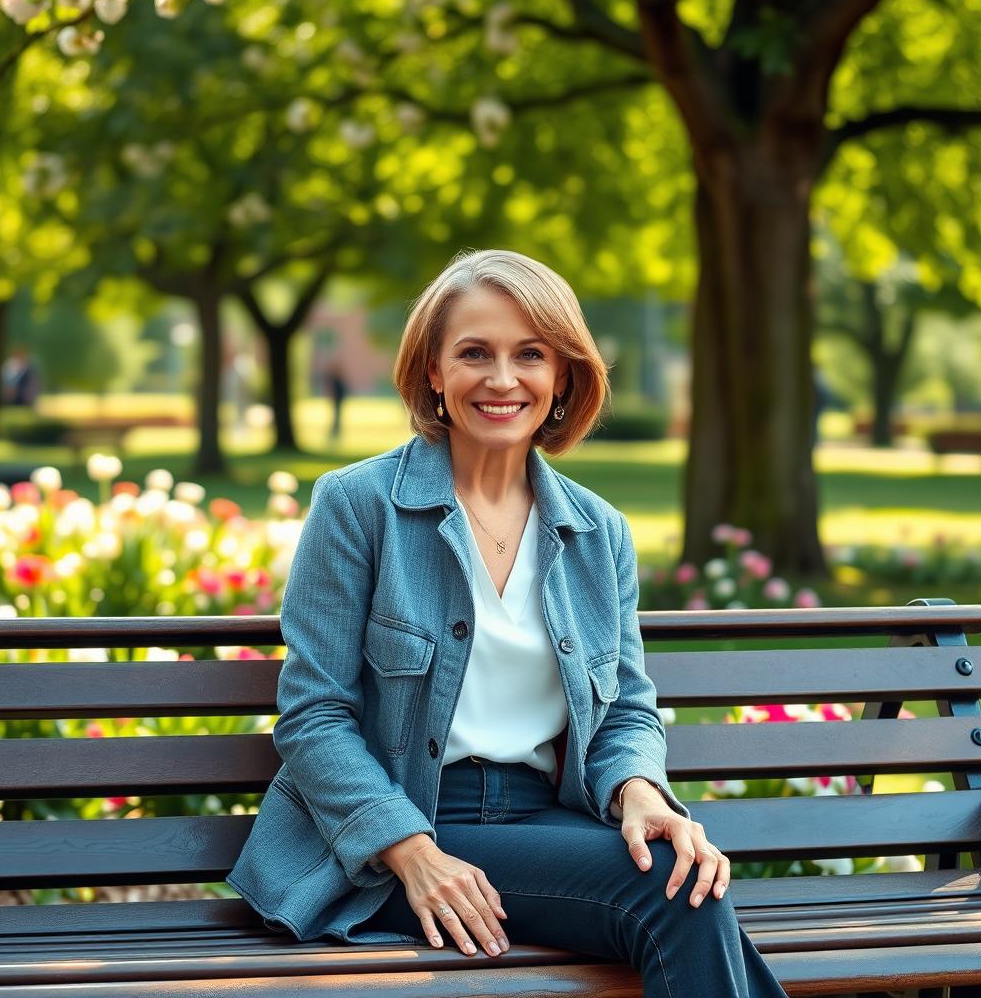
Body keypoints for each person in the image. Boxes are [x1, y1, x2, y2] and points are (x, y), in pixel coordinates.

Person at [226, 249, 789, 996]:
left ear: (562, 376)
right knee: (676, 898)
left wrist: (641, 795)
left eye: (529, 354)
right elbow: (314, 716)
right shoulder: (358, 506)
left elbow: (624, 706)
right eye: (473, 353)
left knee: (685, 882)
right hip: (391, 834)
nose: (501, 379)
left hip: (547, 825)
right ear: (433, 371)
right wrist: (412, 850)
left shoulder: (598, 531)